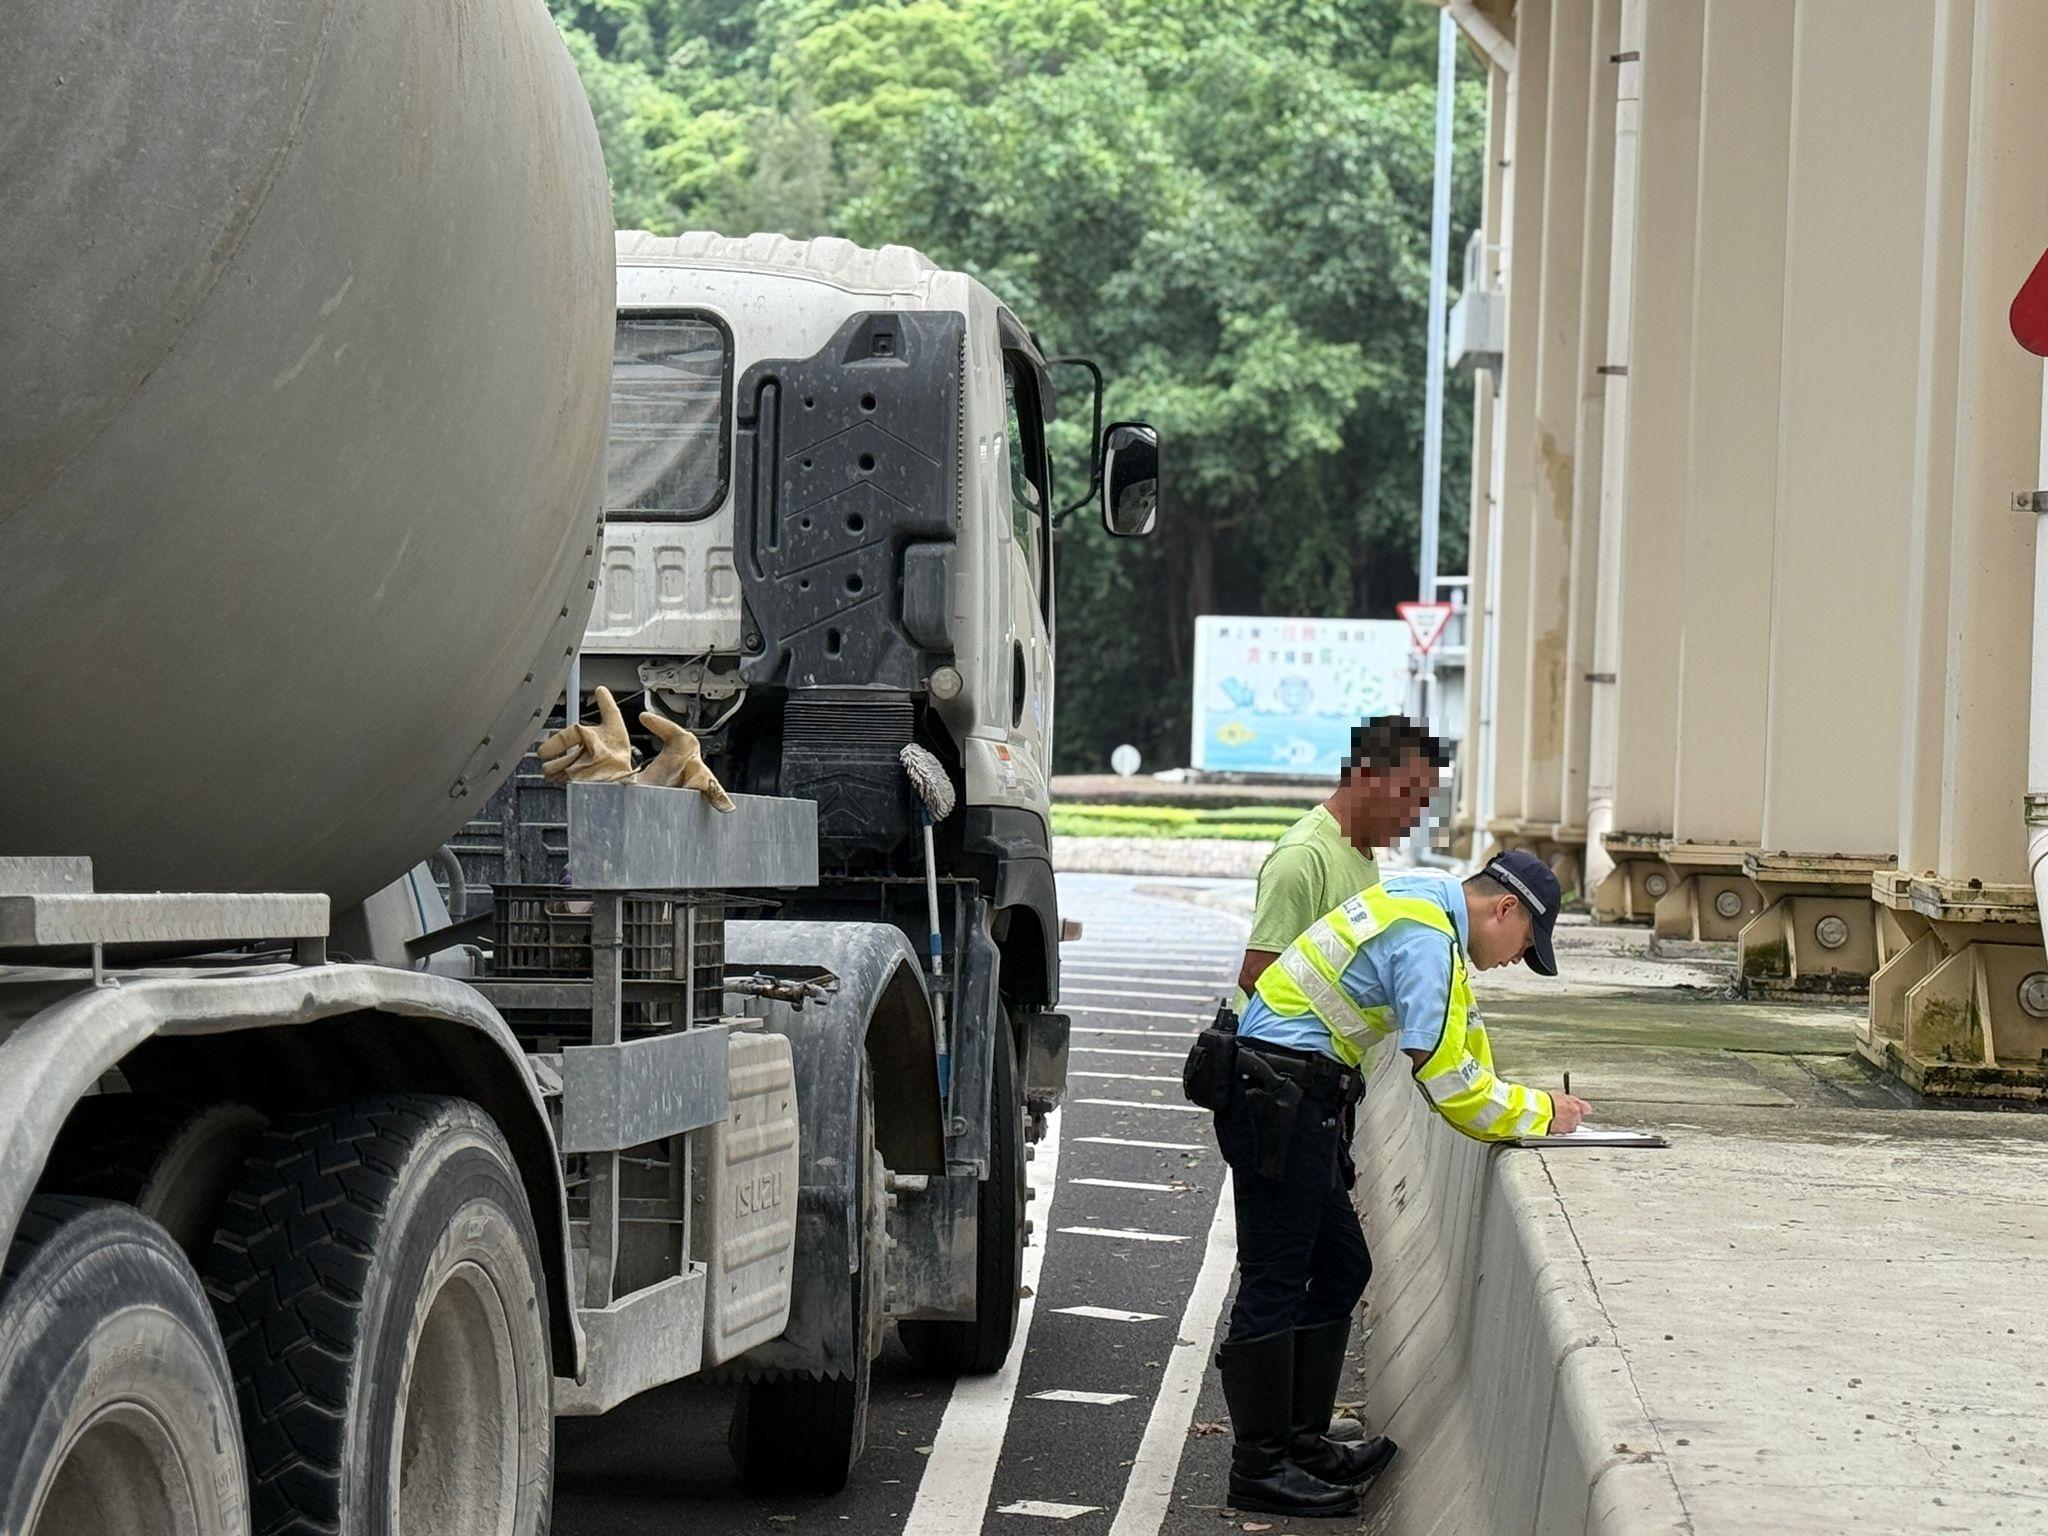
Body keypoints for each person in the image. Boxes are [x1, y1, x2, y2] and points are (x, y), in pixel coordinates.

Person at [1204, 851, 1593, 1517]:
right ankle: (1260, 1468)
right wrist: (1540, 1114)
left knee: (1340, 1267)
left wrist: (1516, 1098)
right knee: (1275, 1277)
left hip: (1296, 1090)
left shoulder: (1425, 900)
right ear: (1504, 909)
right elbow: (1442, 1076)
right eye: (1524, 944)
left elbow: (1461, 1034)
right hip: (1278, 1093)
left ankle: (1301, 1442)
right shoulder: (1426, 935)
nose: (1510, 961)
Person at [1235, 717, 1449, 1004]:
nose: (1416, 813)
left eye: (1424, 801)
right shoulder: (1304, 855)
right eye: (1409, 793)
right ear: (1366, 776)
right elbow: (1257, 975)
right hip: (1280, 1047)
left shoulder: (1362, 851)